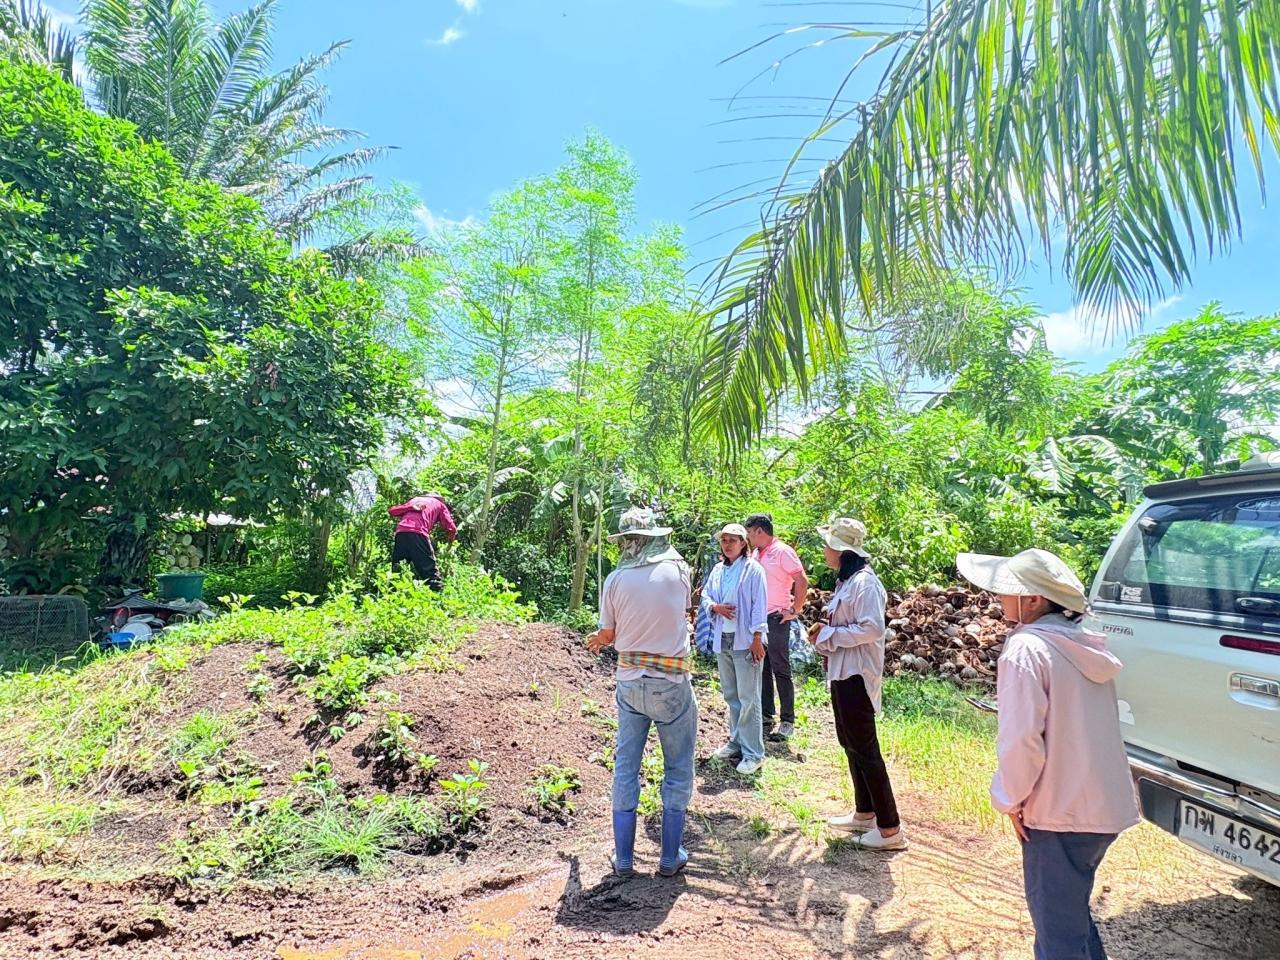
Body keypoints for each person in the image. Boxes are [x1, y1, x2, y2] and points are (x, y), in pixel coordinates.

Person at [957, 548, 1139, 960]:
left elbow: (1022, 740)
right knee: (1070, 915)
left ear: (1035, 599)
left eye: (1007, 590)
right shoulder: (1083, 644)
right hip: (1101, 807)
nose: (999, 597)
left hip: (1059, 812)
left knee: (1057, 934)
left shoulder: (1026, 648)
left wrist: (1009, 799)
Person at [587, 507, 698, 878]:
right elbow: (680, 613)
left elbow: (608, 635)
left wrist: (599, 639)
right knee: (677, 767)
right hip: (672, 683)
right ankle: (669, 857)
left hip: (631, 683)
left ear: (625, 542)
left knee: (626, 767)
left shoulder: (615, 579)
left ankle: (623, 859)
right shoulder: (678, 571)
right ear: (654, 537)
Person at [807, 517, 906, 851]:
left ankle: (890, 828)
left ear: (840, 550)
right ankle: (865, 813)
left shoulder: (865, 584)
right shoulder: (847, 582)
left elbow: (872, 628)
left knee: (865, 748)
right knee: (849, 742)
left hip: (856, 675)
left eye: (828, 545)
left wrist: (831, 634)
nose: (824, 550)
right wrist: (827, 632)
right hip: (843, 671)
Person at [700, 523, 769, 775]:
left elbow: (760, 604)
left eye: (732, 540)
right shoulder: (718, 570)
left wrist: (757, 637)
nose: (727, 544)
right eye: (724, 540)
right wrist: (715, 607)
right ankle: (736, 741)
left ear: (743, 543)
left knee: (749, 697)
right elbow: (706, 595)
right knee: (732, 694)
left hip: (746, 639)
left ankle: (753, 753)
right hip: (724, 638)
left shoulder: (753, 570)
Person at [745, 513, 809, 741]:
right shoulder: (756, 553)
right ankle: (766, 714)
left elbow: (801, 579)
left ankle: (787, 720)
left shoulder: (783, 551)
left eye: (750, 533)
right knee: (762, 667)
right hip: (758, 620)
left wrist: (795, 610)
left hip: (776, 618)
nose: (749, 538)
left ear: (759, 531)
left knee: (781, 668)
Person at [388, 493, 457, 591]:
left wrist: (411, 507)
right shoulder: (440, 504)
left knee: (397, 568)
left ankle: (391, 594)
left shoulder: (415, 500)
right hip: (418, 533)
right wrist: (450, 542)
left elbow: (392, 511)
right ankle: (438, 595)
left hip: (401, 533)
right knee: (429, 570)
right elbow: (451, 527)